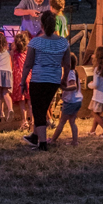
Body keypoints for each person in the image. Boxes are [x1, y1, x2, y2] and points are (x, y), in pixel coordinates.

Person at [20, 10, 70, 151]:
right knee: (43, 107)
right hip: (54, 80)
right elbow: (67, 64)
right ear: (55, 25)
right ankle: (35, 136)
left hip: (38, 79)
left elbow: (28, 64)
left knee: (38, 111)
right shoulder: (63, 43)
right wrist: (64, 79)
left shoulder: (36, 42)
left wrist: (22, 82)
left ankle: (42, 144)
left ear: (41, 25)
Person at [49, 52, 83, 146]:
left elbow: (74, 86)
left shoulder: (70, 73)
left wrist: (64, 88)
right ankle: (75, 141)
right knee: (72, 122)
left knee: (62, 122)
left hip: (70, 101)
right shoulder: (74, 72)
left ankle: (53, 140)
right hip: (77, 100)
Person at [10, 31, 31, 131]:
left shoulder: (13, 53)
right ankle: (33, 121)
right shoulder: (28, 52)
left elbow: (12, 63)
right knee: (30, 101)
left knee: (22, 101)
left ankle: (24, 121)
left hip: (19, 77)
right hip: (29, 75)